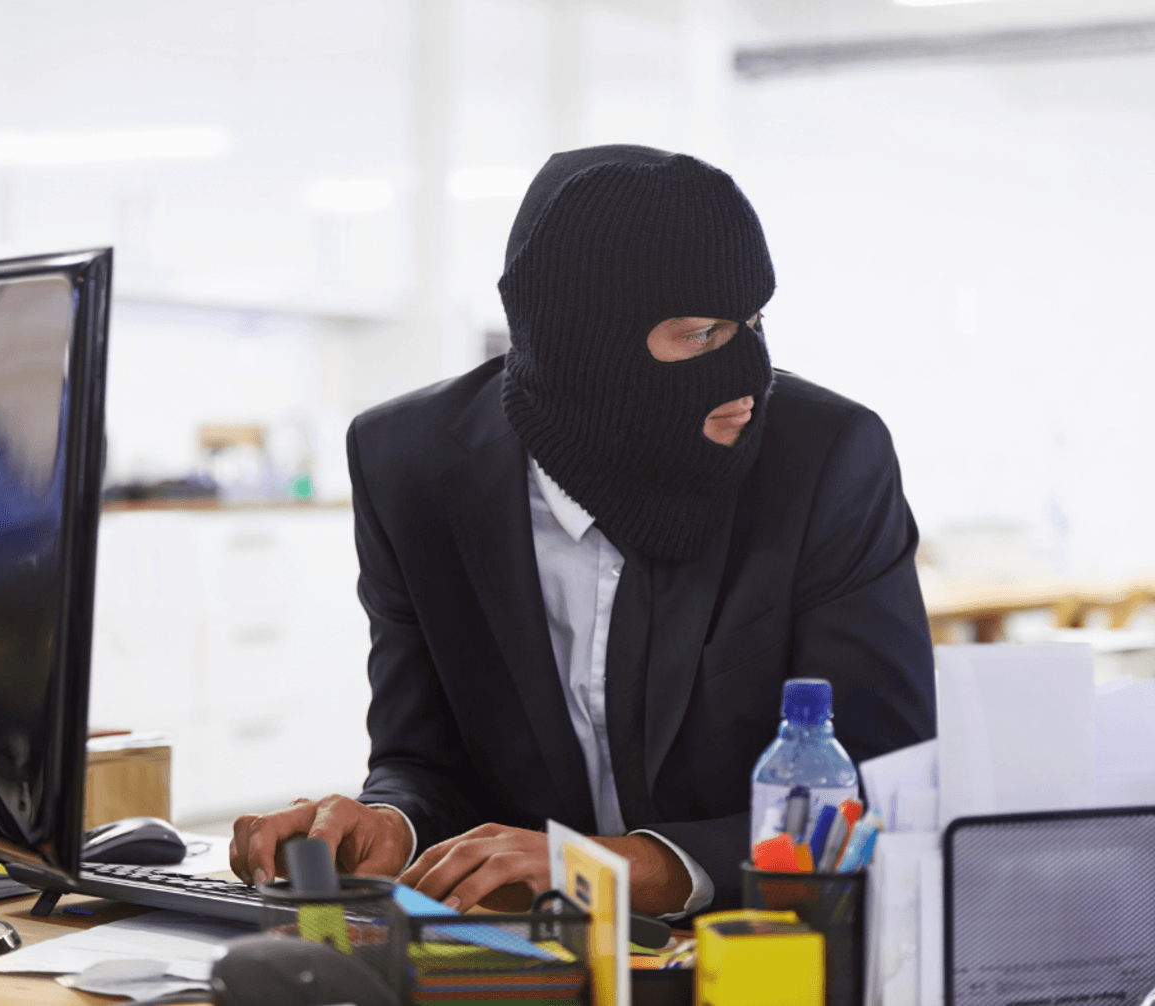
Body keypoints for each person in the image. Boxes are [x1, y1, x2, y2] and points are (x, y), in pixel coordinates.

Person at [231, 145, 936, 915]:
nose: (747, 374)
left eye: (755, 322)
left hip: (755, 948)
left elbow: (884, 780)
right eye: (700, 332)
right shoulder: (411, 465)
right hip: (517, 962)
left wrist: (634, 867)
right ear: (586, 342)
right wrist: (389, 822)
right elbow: (421, 759)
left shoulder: (825, 458)